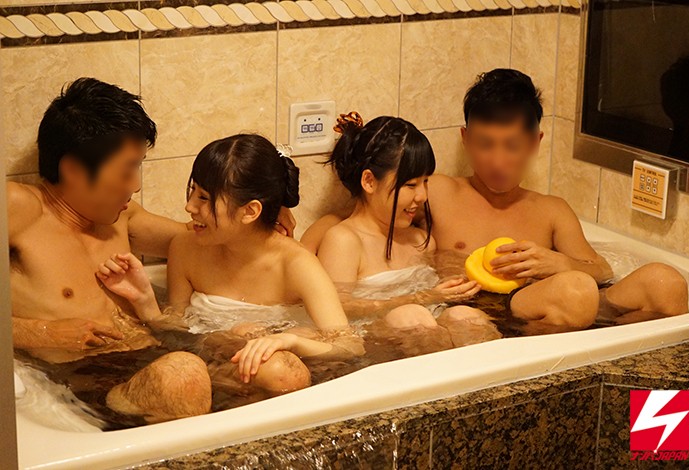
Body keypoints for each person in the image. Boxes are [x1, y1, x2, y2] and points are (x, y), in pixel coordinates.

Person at [304, 69, 689, 329]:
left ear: (535, 142)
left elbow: (601, 269)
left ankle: (652, 415)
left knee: (666, 283)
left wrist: (555, 262)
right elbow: (360, 218)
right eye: (485, 144)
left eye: (512, 146)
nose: (498, 160)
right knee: (576, 292)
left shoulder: (551, 210)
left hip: (554, 308)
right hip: (475, 315)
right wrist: (294, 248)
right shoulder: (438, 192)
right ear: (465, 139)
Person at [8, 78, 295, 423]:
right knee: (182, 376)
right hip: (83, 380)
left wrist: (261, 215)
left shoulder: (122, 216)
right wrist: (43, 333)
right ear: (73, 170)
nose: (136, 184)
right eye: (127, 169)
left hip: (155, 357)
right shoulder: (19, 208)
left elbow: (204, 236)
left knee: (283, 371)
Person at [97, 134, 364, 392]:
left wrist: (289, 341)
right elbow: (176, 334)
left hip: (284, 380)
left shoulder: (296, 265)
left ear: (250, 211)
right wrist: (146, 303)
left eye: (204, 198)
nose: (190, 207)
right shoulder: (186, 248)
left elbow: (351, 346)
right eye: (192, 192)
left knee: (277, 371)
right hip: (215, 370)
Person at [314, 113, 501, 351]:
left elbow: (437, 296)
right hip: (369, 344)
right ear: (369, 181)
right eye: (410, 185)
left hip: (427, 328)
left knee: (466, 317)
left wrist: (460, 284)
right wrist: (421, 298)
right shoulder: (344, 240)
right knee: (412, 319)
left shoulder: (420, 240)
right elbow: (336, 310)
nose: (422, 196)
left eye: (425, 182)